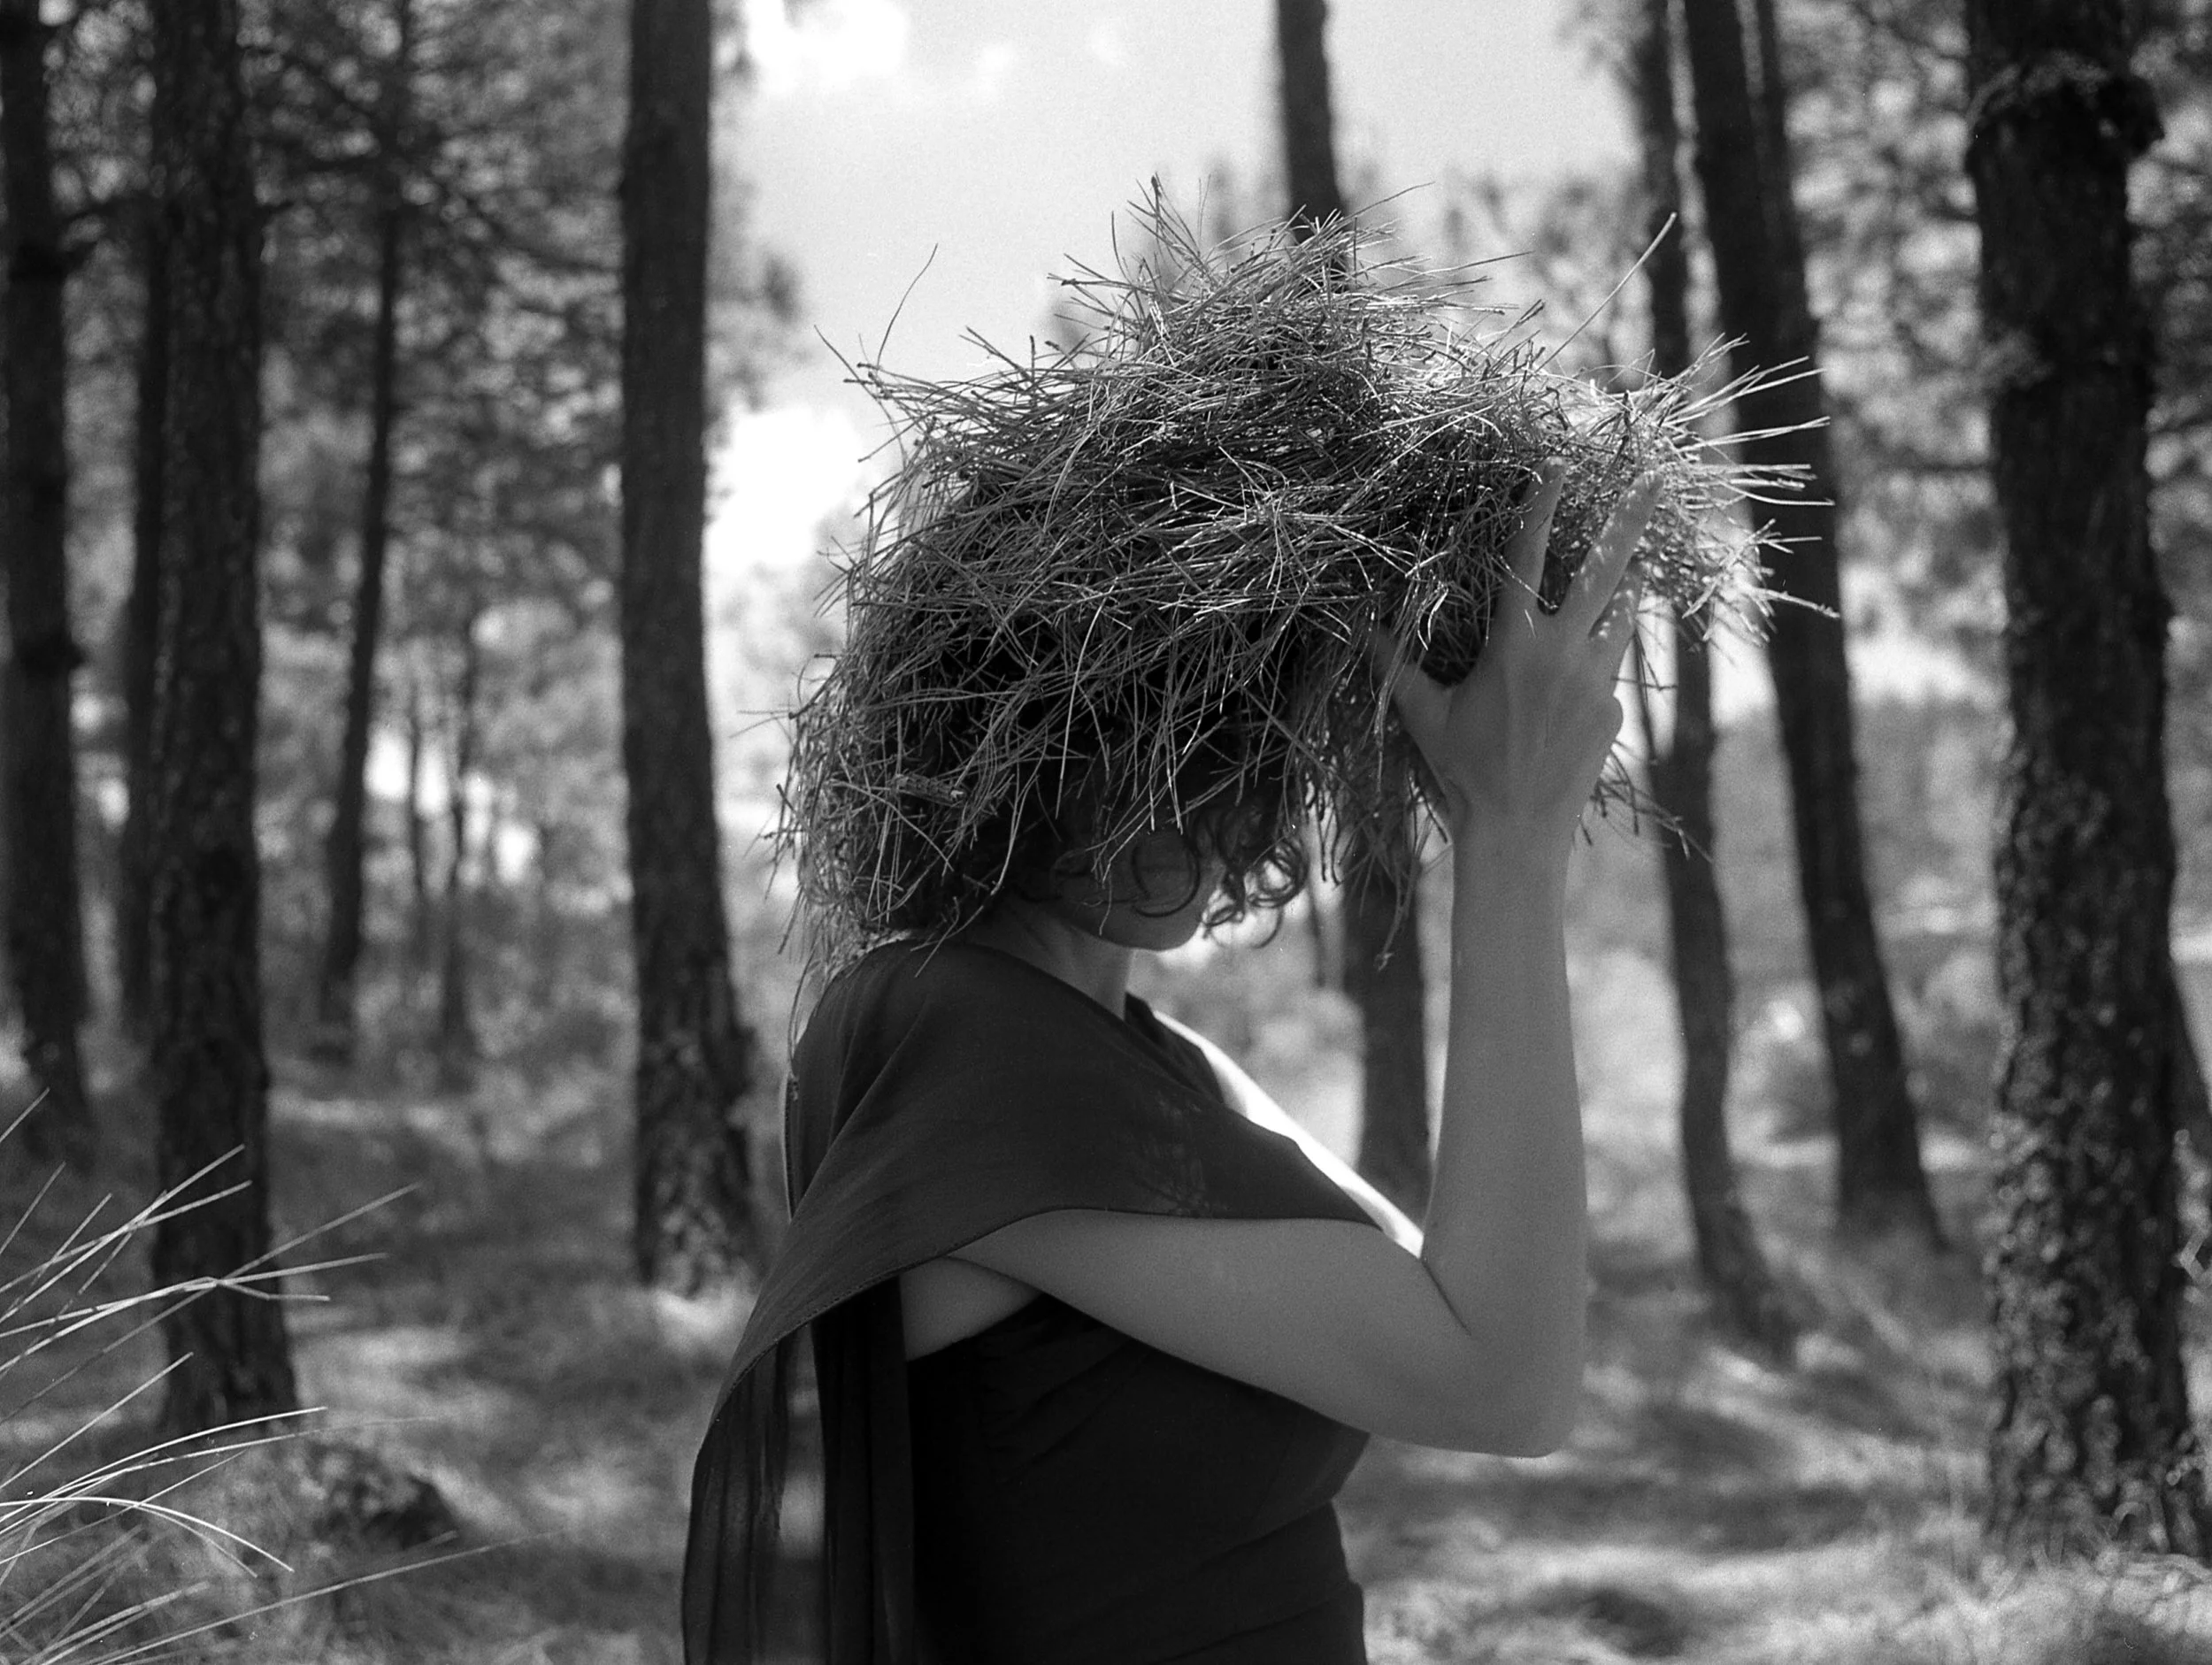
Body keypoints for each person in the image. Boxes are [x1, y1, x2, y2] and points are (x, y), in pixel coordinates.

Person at [681, 453, 1656, 1665]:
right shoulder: (935, 1022)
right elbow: (1502, 1381)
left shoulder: (1163, 1057)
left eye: (1244, 728)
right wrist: (1512, 833)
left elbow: (1484, 1305)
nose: (1201, 781)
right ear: (1004, 737)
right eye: (1138, 724)